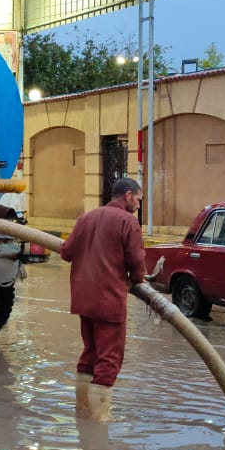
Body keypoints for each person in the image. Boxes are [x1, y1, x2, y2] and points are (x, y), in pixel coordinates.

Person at [59, 177, 147, 422]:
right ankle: (99, 422)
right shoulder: (128, 222)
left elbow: (66, 252)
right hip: (109, 300)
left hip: (83, 299)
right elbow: (136, 262)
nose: (139, 205)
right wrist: (139, 279)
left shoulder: (87, 217)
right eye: (139, 200)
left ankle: (82, 412)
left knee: (90, 353)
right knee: (109, 358)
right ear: (128, 196)